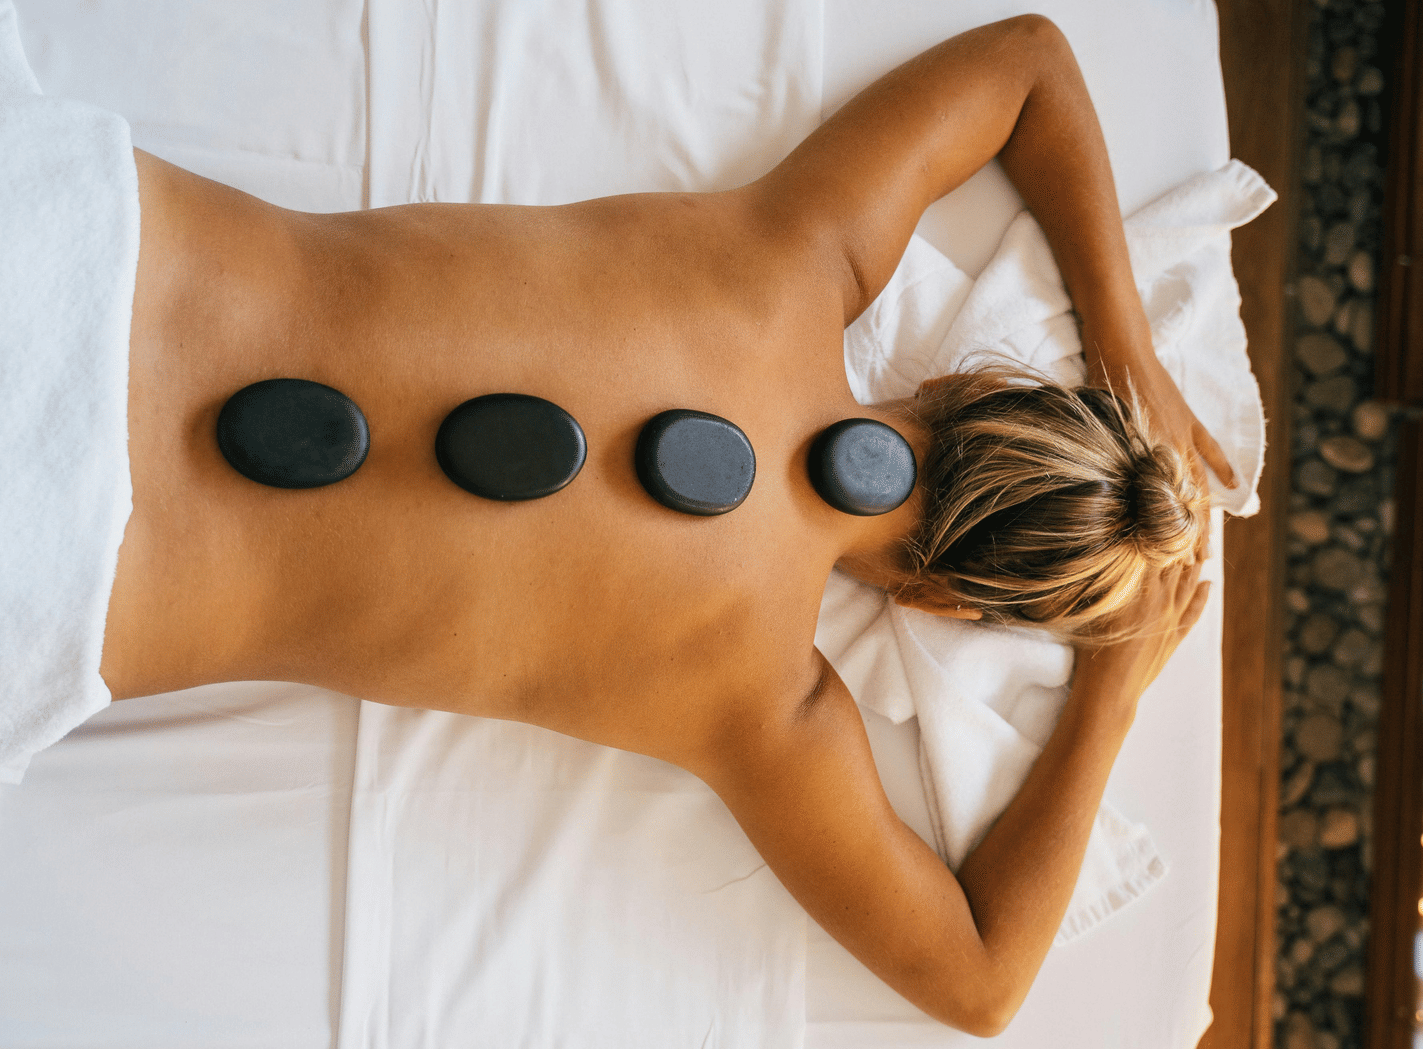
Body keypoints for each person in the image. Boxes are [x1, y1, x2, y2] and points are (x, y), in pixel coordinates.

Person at [82, 14, 1226, 1037]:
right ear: (941, 599)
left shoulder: (794, 251)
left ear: (955, 384)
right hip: (77, 572)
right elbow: (981, 981)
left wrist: (1125, 345)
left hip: (90, 246)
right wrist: (1108, 696)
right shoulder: (760, 708)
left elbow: (1029, 64)